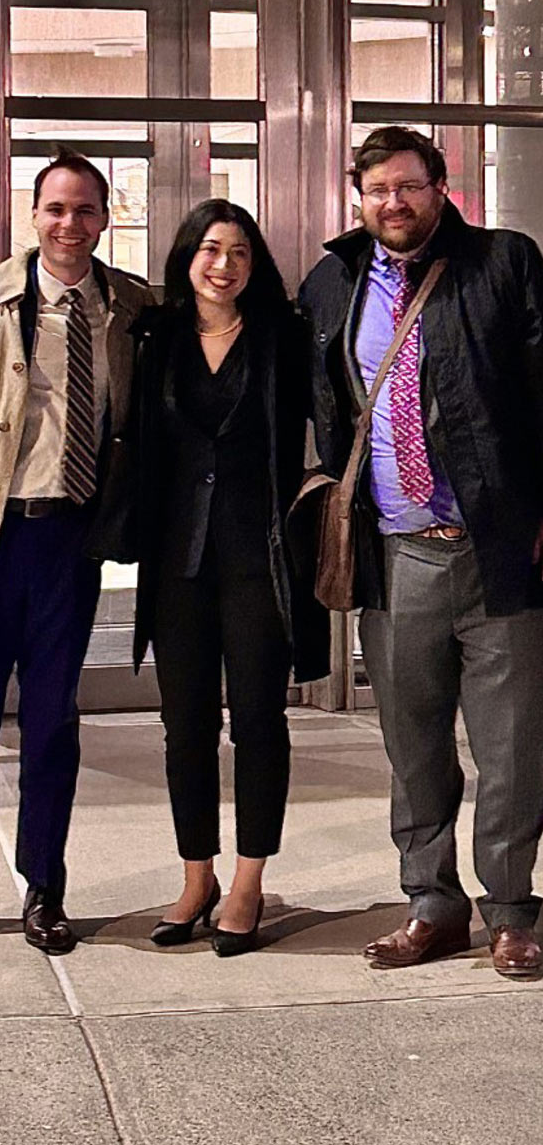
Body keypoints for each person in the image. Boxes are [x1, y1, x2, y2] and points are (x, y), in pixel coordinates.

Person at [300, 125, 543, 979]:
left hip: (498, 550)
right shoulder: (333, 281)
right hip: (395, 553)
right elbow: (320, 402)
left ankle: (512, 910)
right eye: (377, 190)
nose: (393, 203)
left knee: (512, 745)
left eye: (408, 186)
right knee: (412, 744)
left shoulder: (504, 264)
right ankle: (431, 904)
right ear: (357, 197)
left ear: (442, 187)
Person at [0, 149, 153, 956]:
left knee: (52, 726)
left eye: (87, 210)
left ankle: (45, 891)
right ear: (34, 214)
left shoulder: (126, 308)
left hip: (68, 542)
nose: (71, 224)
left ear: (104, 219)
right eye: (57, 209)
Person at [133, 199, 329, 957]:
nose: (224, 265)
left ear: (256, 265)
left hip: (260, 560)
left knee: (257, 723)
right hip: (178, 563)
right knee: (184, 727)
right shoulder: (158, 339)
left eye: (240, 252)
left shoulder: (283, 338)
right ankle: (196, 876)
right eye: (211, 249)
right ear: (188, 257)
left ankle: (247, 881)